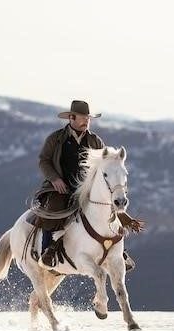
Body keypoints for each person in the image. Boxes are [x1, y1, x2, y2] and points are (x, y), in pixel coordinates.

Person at [34, 100, 143, 270]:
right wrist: (55, 179)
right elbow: (44, 161)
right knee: (54, 209)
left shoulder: (95, 141)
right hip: (60, 187)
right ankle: (48, 250)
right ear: (71, 117)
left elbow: (104, 166)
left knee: (107, 209)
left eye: (88, 118)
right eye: (83, 118)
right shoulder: (56, 139)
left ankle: (119, 252)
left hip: (87, 189)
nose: (87, 121)